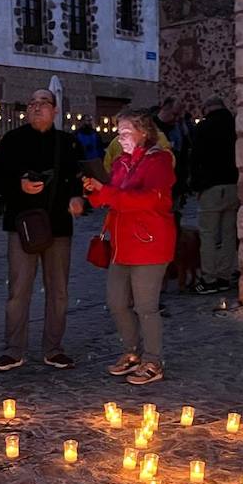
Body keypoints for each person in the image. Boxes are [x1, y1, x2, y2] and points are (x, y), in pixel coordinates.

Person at [0, 88, 84, 371]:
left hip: (58, 226)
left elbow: (78, 177)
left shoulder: (67, 143)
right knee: (19, 289)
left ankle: (53, 348)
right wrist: (18, 185)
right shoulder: (12, 140)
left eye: (43, 102)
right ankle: (14, 349)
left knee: (58, 291)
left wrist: (77, 197)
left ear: (55, 110)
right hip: (22, 225)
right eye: (32, 103)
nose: (37, 107)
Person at [83, 109, 176, 385]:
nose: (120, 138)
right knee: (116, 302)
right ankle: (132, 351)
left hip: (149, 242)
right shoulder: (121, 163)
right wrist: (93, 191)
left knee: (146, 306)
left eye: (125, 132)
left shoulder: (158, 162)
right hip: (122, 244)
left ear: (143, 133)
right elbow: (112, 198)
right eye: (118, 132)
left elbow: (146, 200)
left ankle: (153, 359)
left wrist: (108, 192)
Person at [191, 96, 239, 292]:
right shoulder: (235, 124)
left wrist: (196, 184)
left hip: (211, 185)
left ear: (207, 108)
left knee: (209, 234)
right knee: (229, 233)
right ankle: (225, 276)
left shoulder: (204, 128)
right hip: (233, 184)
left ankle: (209, 278)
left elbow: (195, 158)